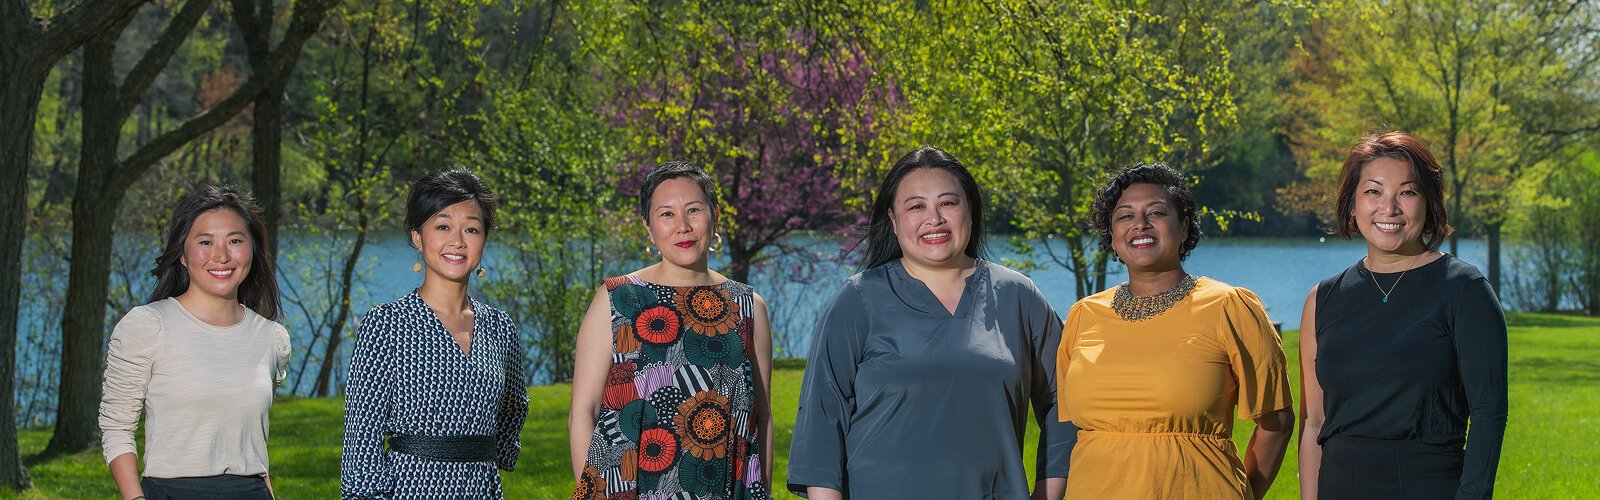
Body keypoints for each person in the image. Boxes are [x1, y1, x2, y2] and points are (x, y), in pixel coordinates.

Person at [787, 146, 1073, 499]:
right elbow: (821, 423)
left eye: (948, 203)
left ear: (970, 210)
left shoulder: (1019, 296)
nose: (934, 219)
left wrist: (1047, 493)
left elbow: (1069, 402)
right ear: (893, 220)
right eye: (916, 206)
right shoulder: (857, 301)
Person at [1057, 163, 1294, 499]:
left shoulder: (1230, 306)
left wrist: (1241, 494)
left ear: (1183, 229)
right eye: (1125, 216)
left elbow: (1277, 423)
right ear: (1112, 236)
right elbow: (1077, 429)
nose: (1140, 224)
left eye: (1156, 212)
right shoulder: (1083, 316)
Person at [1298, 132, 1507, 499]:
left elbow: (1489, 413)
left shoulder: (1464, 290)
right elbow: (1315, 422)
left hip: (1429, 486)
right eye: (1373, 191)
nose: (1389, 208)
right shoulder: (1323, 298)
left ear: (1428, 205)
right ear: (1352, 205)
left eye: (1407, 193)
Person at [569, 161, 775, 499]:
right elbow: (584, 410)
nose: (683, 226)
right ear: (649, 228)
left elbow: (762, 420)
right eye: (666, 214)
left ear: (715, 215)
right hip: (633, 488)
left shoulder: (749, 306)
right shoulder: (618, 298)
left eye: (693, 210)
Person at [340, 168, 528, 499]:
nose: (457, 241)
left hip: (483, 488)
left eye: (471, 229)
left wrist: (496, 452)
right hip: (409, 489)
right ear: (417, 236)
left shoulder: (500, 328)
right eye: (442, 226)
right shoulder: (385, 324)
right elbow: (361, 437)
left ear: (484, 238)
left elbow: (514, 406)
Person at [99, 185, 289, 500]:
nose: (222, 255)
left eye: (235, 240)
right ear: (183, 255)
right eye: (205, 242)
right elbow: (116, 428)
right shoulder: (147, 326)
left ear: (252, 249)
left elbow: (253, 441)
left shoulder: (272, 338)